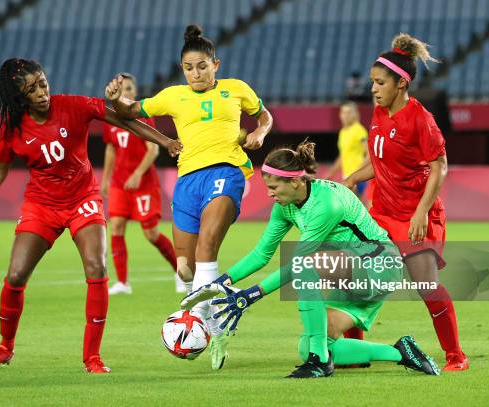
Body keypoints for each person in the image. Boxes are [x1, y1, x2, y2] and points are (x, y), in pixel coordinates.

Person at [0, 58, 181, 373]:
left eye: (43, 82)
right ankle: (4, 347)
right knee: (15, 276)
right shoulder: (13, 128)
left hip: (83, 198)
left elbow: (123, 121)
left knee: (96, 267)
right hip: (41, 205)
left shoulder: (73, 106)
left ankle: (92, 358)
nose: (42, 92)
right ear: (19, 97)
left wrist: (166, 142)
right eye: (32, 89)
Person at [181, 141, 440, 378]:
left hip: (379, 266)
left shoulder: (326, 204)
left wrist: (250, 295)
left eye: (273, 187)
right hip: (352, 272)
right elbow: (262, 254)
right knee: (311, 344)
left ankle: (319, 363)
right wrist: (221, 282)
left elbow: (300, 264)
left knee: (305, 267)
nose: (270, 194)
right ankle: (401, 352)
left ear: (295, 182)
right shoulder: (285, 206)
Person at [105, 25, 273, 370]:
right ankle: (216, 321)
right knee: (185, 269)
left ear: (216, 64)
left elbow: (264, 115)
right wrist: (114, 100)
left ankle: (198, 322)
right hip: (187, 182)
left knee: (207, 248)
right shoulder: (172, 97)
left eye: (202, 66)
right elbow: (130, 112)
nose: (195, 73)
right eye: (188, 68)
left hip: (226, 173)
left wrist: (260, 130)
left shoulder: (236, 89)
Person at [343, 33, 468, 371]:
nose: (373, 89)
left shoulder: (421, 119)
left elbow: (438, 166)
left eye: (380, 83)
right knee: (358, 277)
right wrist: (354, 178)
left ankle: (456, 355)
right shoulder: (379, 112)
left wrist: (421, 213)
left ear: (401, 83)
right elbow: (379, 157)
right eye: (372, 82)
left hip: (414, 215)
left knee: (426, 287)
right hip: (381, 213)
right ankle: (354, 351)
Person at [100, 72, 181, 295]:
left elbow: (153, 149)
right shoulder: (111, 119)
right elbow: (110, 149)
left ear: (134, 93)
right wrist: (106, 179)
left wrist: (137, 174)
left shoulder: (143, 117)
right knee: (115, 227)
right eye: (121, 89)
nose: (124, 92)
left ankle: (180, 272)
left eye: (128, 89)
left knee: (151, 233)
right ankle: (123, 283)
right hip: (119, 184)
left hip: (143, 184)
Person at [326, 101, 369, 208]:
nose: (345, 115)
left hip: (358, 176)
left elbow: (368, 154)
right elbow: (342, 156)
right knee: (352, 207)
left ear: (355, 114)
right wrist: (331, 173)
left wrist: (358, 173)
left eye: (349, 112)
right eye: (343, 112)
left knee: (350, 206)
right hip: (347, 176)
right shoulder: (343, 132)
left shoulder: (359, 130)